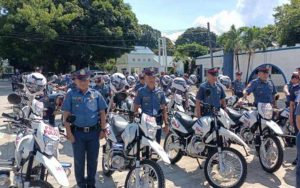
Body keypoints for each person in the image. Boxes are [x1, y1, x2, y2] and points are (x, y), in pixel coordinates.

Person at [62, 69, 107, 188]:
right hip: (77, 133)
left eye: (85, 79)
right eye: (80, 80)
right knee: (79, 161)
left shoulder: (96, 94)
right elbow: (66, 114)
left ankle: (91, 184)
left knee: (93, 161)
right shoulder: (71, 94)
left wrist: (103, 129)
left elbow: (102, 112)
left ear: (89, 80)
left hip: (93, 133)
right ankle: (81, 184)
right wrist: (69, 133)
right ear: (76, 81)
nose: (83, 82)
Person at [134, 68, 169, 143]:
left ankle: (155, 154)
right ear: (145, 79)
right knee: (145, 143)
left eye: (153, 77)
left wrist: (166, 123)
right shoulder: (141, 91)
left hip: (157, 120)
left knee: (157, 143)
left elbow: (164, 108)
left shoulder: (160, 92)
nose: (151, 80)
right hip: (145, 120)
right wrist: (136, 118)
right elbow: (136, 106)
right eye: (149, 78)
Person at [289, 72, 300, 165]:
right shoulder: (294, 88)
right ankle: (298, 157)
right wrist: (291, 117)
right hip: (298, 116)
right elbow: (292, 104)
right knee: (298, 137)